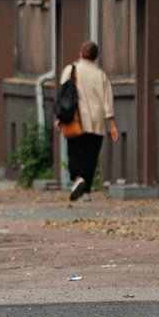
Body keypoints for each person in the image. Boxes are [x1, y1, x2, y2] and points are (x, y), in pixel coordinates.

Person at [58, 40, 118, 201]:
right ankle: (86, 192)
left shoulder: (71, 70)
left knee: (75, 153)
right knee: (91, 157)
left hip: (76, 120)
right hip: (97, 122)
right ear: (96, 57)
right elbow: (108, 100)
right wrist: (112, 124)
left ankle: (79, 179)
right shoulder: (101, 75)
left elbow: (63, 96)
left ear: (80, 54)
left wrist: (60, 118)